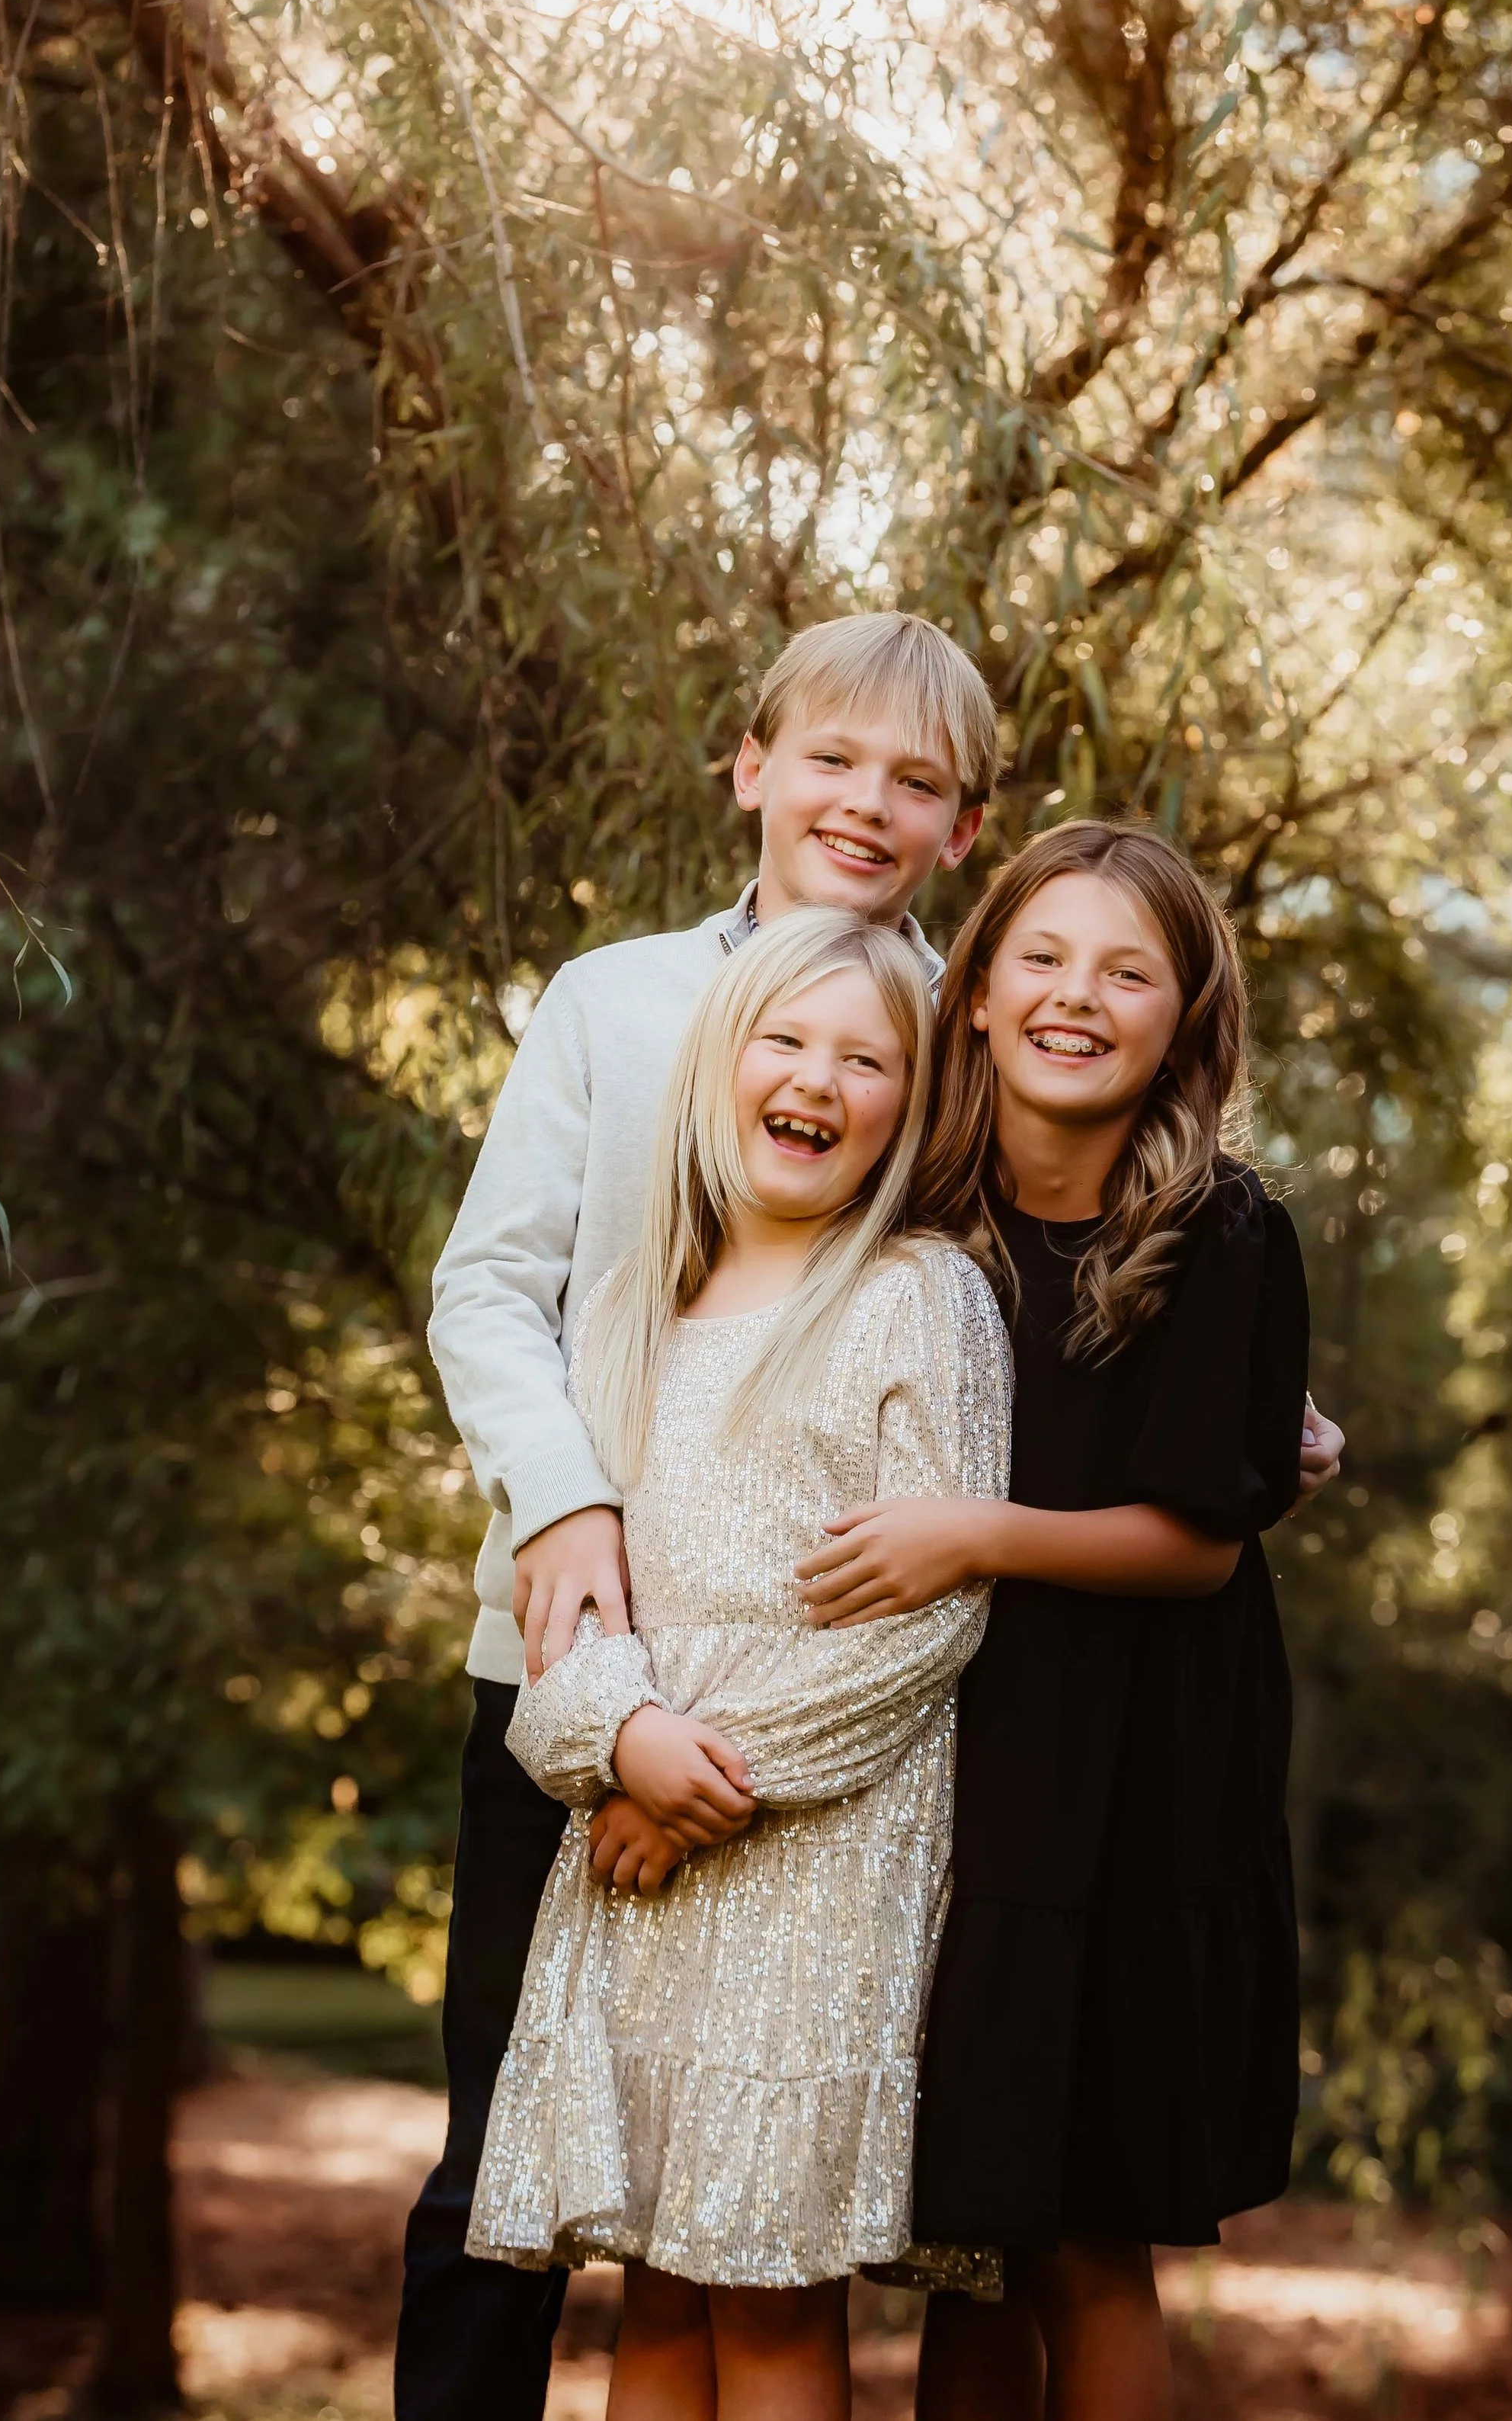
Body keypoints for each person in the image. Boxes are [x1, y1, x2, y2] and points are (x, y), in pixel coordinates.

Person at [396, 614, 998, 2421]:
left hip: (826, 1707)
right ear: (749, 765)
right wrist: (561, 1501)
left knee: (744, 2237)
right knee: (500, 2164)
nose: (863, 804)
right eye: (829, 758)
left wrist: (1229, 1403)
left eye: (916, 781)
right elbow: (488, 1286)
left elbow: (1038, 1286)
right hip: (576, 1649)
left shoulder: (968, 1027)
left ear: (964, 825)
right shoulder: (618, 1001)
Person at [796, 819, 1319, 2421]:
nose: (1074, 996)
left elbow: (1192, 1552)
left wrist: (969, 1536)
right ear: (969, 993)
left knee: (1084, 2235)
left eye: (1125, 970)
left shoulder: (1217, 1230)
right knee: (971, 2232)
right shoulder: (901, 1213)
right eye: (1040, 955)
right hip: (947, 1771)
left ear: (1186, 1019)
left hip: (1135, 1787)